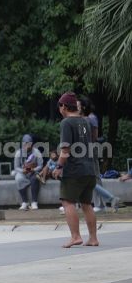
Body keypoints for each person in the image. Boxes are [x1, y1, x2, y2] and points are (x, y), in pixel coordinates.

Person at [53, 92, 98, 248]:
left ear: (64, 106)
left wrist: (58, 166)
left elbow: (65, 149)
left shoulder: (66, 123)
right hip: (89, 169)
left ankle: (76, 236)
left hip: (74, 171)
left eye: (60, 106)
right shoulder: (85, 121)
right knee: (87, 204)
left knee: (67, 201)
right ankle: (93, 238)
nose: (59, 109)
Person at [13, 134, 43, 210]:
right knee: (18, 179)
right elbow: (16, 167)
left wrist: (33, 169)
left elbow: (40, 166)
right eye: (25, 143)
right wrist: (22, 171)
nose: (26, 145)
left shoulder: (36, 152)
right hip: (23, 172)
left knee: (35, 178)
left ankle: (34, 202)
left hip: (33, 172)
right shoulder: (18, 153)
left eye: (28, 143)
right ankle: (24, 202)